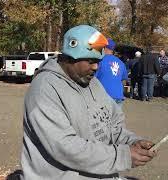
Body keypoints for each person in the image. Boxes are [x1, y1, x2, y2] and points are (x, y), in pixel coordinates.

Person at [21, 25, 156, 180]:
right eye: (91, 61)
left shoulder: (93, 83)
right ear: (70, 57)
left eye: (98, 61)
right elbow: (65, 148)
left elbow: (112, 125)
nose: (96, 67)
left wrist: (132, 141)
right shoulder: (44, 89)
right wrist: (123, 156)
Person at [95, 38, 128, 106]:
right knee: (116, 116)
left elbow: (93, 79)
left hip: (104, 96)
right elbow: (124, 80)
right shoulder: (121, 63)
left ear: (104, 48)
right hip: (118, 96)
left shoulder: (99, 61)